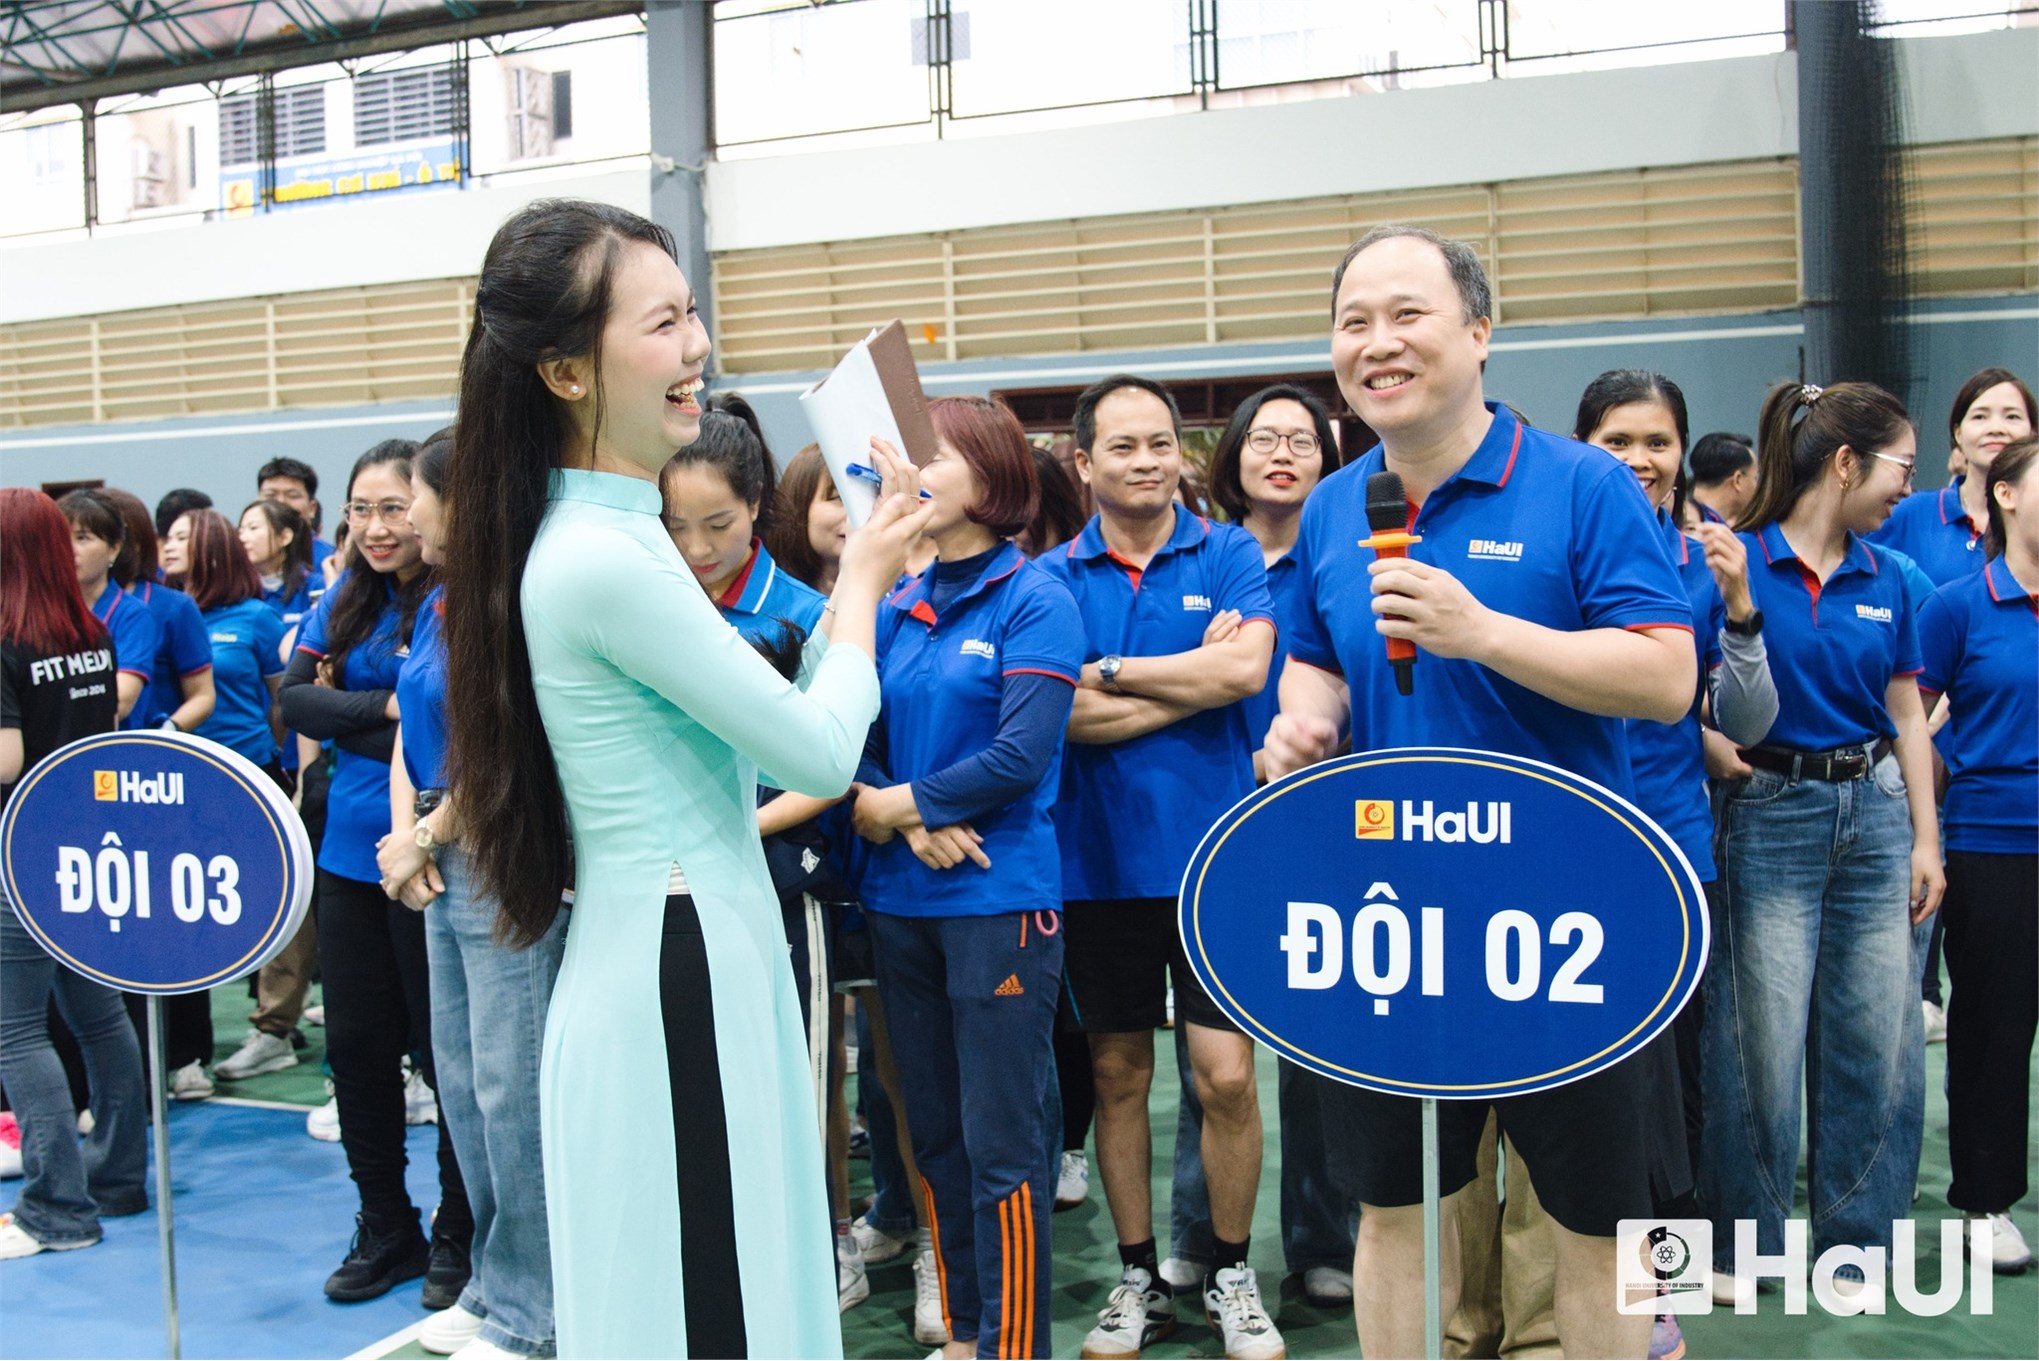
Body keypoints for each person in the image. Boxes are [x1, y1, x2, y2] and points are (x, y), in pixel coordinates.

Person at [439, 197, 931, 1360]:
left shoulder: (601, 536)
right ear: (565, 368)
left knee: (726, 1278)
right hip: (679, 965)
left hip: (689, 943)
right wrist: (857, 578)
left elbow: (781, 723)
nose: (696, 345)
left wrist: (855, 579)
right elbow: (816, 751)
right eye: (660, 321)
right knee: (715, 1304)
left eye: (692, 312)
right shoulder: (605, 557)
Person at [1264, 225, 1697, 1360]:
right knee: (1394, 1207)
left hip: (1567, 921)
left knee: (1596, 1221)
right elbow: (1313, 654)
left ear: (1478, 330)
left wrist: (1485, 631)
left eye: (1404, 313)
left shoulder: (1583, 485)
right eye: (1352, 321)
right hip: (1392, 927)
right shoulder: (1332, 507)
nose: (1376, 342)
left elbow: (1664, 676)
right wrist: (1298, 719)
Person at [1040, 374, 1284, 1361]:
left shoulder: (1226, 549)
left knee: (1226, 1076)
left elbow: (1245, 672)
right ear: (1084, 461)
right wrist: (1189, 678)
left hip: (1217, 861)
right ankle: (1136, 1274)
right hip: (1097, 862)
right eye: (1123, 445)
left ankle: (1229, 1268)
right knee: (1114, 1073)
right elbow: (1057, 711)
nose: (1145, 461)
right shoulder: (1051, 577)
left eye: (1159, 443)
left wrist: (1109, 670)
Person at [848, 395, 1085, 1360]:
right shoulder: (894, 604)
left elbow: (1017, 757)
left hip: (998, 901)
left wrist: (898, 806)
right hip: (902, 897)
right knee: (935, 1136)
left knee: (1003, 1143)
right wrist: (888, 810)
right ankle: (969, 1326)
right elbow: (849, 741)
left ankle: (1011, 1344)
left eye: (933, 455)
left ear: (992, 477)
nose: (912, 470)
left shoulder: (1037, 599)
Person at [1703, 380, 1945, 1298]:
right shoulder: (1732, 562)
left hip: (1876, 811)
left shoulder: (1892, 578)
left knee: (1875, 1042)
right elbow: (1721, 709)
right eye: (1898, 470)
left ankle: (1858, 1243)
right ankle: (1744, 1247)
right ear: (1844, 463)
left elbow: (1907, 715)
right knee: (1757, 1048)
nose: (1903, 491)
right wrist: (1736, 609)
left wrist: (1925, 839)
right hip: (1768, 815)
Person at [369, 429, 567, 1360]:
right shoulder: (436, 603)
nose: (403, 515)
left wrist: (422, 836)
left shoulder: (509, 602)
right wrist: (408, 840)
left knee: (512, 1088)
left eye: (413, 496)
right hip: (442, 861)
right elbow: (415, 728)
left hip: (503, 860)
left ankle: (539, 1309)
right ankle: (494, 1284)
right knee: (461, 1085)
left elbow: (508, 756)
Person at [1170, 383, 1358, 1311]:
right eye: (1265, 438)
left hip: (1327, 832)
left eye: (1303, 440)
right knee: (1214, 1059)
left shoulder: (1344, 558)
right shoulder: (1198, 558)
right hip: (1217, 831)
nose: (1283, 452)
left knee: (1322, 1052)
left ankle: (1324, 1238)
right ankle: (1195, 1236)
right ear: (1233, 456)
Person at [280, 439, 472, 1308]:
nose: (377, 526)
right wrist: (386, 706)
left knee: (445, 1056)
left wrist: (355, 711)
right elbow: (293, 698)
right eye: (360, 509)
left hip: (433, 854)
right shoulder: (347, 599)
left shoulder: (451, 599)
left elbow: (436, 728)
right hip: (346, 855)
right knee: (357, 1051)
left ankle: (459, 1231)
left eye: (394, 506)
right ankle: (385, 1222)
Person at [768, 443, 948, 1344]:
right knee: (817, 1067)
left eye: (862, 498)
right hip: (812, 862)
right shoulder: (799, 615)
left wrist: (902, 808)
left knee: (896, 1064)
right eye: (829, 501)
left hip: (887, 855)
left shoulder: (909, 603)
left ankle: (925, 1242)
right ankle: (838, 1234)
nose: (848, 515)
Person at [0, 489, 150, 1261]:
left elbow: (5, 760)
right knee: (97, 1015)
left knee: (16, 1030)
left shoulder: (4, 640)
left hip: (16, 853)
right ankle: (120, 1175)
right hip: (84, 849)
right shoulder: (91, 635)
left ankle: (57, 1204)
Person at [1917, 436, 2039, 1275]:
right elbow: (1906, 724)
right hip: (1993, 843)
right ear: (2003, 496)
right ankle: (1984, 1201)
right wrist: (1929, 828)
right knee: (1994, 1030)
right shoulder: (1958, 606)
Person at [1873, 368, 2034, 586]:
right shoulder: (1911, 513)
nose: (1996, 428)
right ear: (1958, 433)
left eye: (2012, 416)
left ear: (2033, 432)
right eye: (1980, 416)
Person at [58, 490, 158, 724]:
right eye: (63, 538)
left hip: (113, 752)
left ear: (114, 548)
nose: (70, 549)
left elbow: (120, 701)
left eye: (83, 538)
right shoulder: (45, 611)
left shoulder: (132, 615)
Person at [769, 444, 850, 595]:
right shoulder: (772, 596)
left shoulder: (897, 599)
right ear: (798, 507)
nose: (856, 515)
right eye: (839, 498)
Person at [239, 497, 323, 629]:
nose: (242, 538)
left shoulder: (314, 587)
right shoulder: (239, 591)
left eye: (253, 528)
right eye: (241, 531)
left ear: (284, 537)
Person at [260, 455, 340, 569]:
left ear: (312, 508)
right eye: (271, 495)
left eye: (292, 495)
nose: (280, 502)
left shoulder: (331, 560)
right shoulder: (243, 559)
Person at [1687, 431, 1757, 527]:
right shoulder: (1707, 536)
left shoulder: (1674, 520)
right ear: (1738, 480)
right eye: (1755, 478)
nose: (1757, 487)